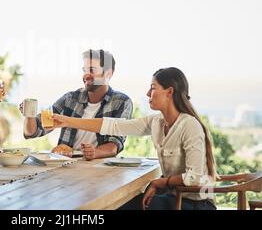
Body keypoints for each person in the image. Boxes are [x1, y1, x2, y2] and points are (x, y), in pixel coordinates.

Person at [52, 67, 217, 210]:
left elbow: (194, 177)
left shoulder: (189, 125)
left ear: (169, 92)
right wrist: (66, 121)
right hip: (173, 199)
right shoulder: (156, 122)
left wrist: (160, 183)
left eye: (153, 87)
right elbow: (114, 126)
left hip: (195, 204)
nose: (147, 93)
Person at [21, 49, 133, 160]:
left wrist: (95, 152)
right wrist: (29, 114)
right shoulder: (70, 98)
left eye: (92, 70)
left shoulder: (121, 102)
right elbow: (32, 132)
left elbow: (114, 145)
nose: (86, 75)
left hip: (99, 168)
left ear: (108, 73)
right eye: (84, 70)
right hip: (66, 166)